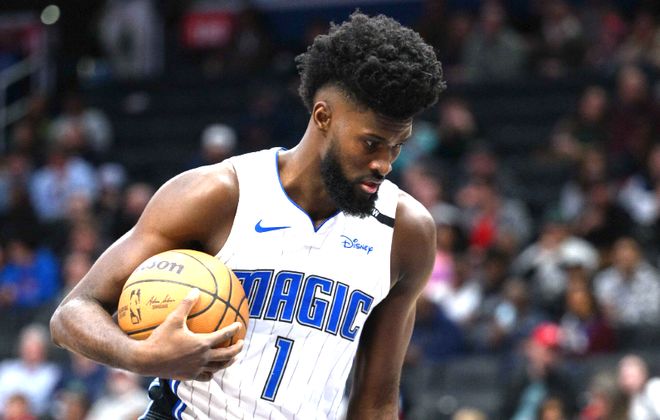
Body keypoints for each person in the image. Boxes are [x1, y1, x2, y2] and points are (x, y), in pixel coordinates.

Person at [50, 11, 445, 420]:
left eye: (397, 145)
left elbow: (377, 403)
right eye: (371, 143)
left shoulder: (406, 232)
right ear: (323, 117)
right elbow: (72, 313)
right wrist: (143, 356)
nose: (385, 164)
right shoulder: (218, 195)